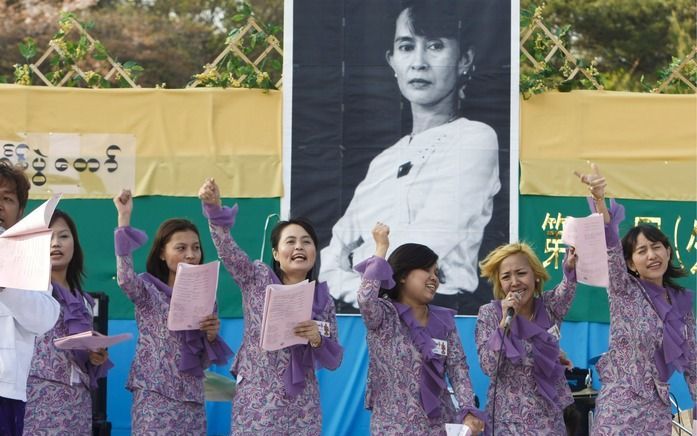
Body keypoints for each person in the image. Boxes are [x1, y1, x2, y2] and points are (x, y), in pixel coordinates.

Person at [320, 0, 500, 311]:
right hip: (366, 312)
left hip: (436, 310)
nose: (419, 62)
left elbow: (422, 247)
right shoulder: (385, 160)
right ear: (392, 61)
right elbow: (332, 253)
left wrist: (359, 276)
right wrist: (363, 288)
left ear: (464, 59)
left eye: (435, 46)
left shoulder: (475, 139)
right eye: (406, 47)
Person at [199, 178, 343, 435]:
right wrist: (213, 211)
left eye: (306, 241)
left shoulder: (323, 301)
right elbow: (228, 251)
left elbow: (333, 360)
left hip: (303, 408)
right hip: (258, 404)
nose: (299, 246)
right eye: (291, 241)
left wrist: (317, 339)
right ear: (276, 253)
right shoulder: (256, 279)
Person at [575, 164, 696, 435]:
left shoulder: (680, 302)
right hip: (620, 410)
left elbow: (694, 364)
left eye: (656, 247)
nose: (651, 255)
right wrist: (599, 201)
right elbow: (610, 248)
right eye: (642, 251)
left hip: (658, 411)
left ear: (668, 251)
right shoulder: (624, 290)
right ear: (630, 263)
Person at [113, 189, 233, 435]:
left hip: (191, 398)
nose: (190, 254)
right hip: (154, 395)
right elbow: (125, 279)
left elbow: (204, 359)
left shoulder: (207, 296)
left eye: (196, 248)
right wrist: (123, 218)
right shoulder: (148, 290)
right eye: (181, 248)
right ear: (162, 253)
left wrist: (211, 336)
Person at [354, 222, 485, 435]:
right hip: (393, 427)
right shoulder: (383, 316)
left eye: (436, 272)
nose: (434, 278)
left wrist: (468, 410)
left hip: (440, 425)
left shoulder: (444, 321)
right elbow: (365, 298)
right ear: (403, 275)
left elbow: (458, 370)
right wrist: (380, 249)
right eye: (426, 270)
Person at [24, 210, 112, 434]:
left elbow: (84, 356)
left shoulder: (84, 300)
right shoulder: (29, 290)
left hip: (77, 404)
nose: (56, 244)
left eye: (63, 236)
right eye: (48, 238)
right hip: (38, 398)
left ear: (74, 244)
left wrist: (96, 357)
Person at [476, 241, 578, 435]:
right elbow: (488, 366)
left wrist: (570, 267)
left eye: (521, 273)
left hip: (548, 418)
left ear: (535, 276)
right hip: (505, 420)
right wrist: (504, 323)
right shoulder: (489, 314)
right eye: (506, 277)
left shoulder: (550, 306)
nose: (514, 282)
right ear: (500, 283)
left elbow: (567, 288)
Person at [0, 161, 60, 436]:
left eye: (7, 198)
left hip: (4, 391)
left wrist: (7, 285)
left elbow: (44, 319)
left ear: (20, 211)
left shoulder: (31, 258)